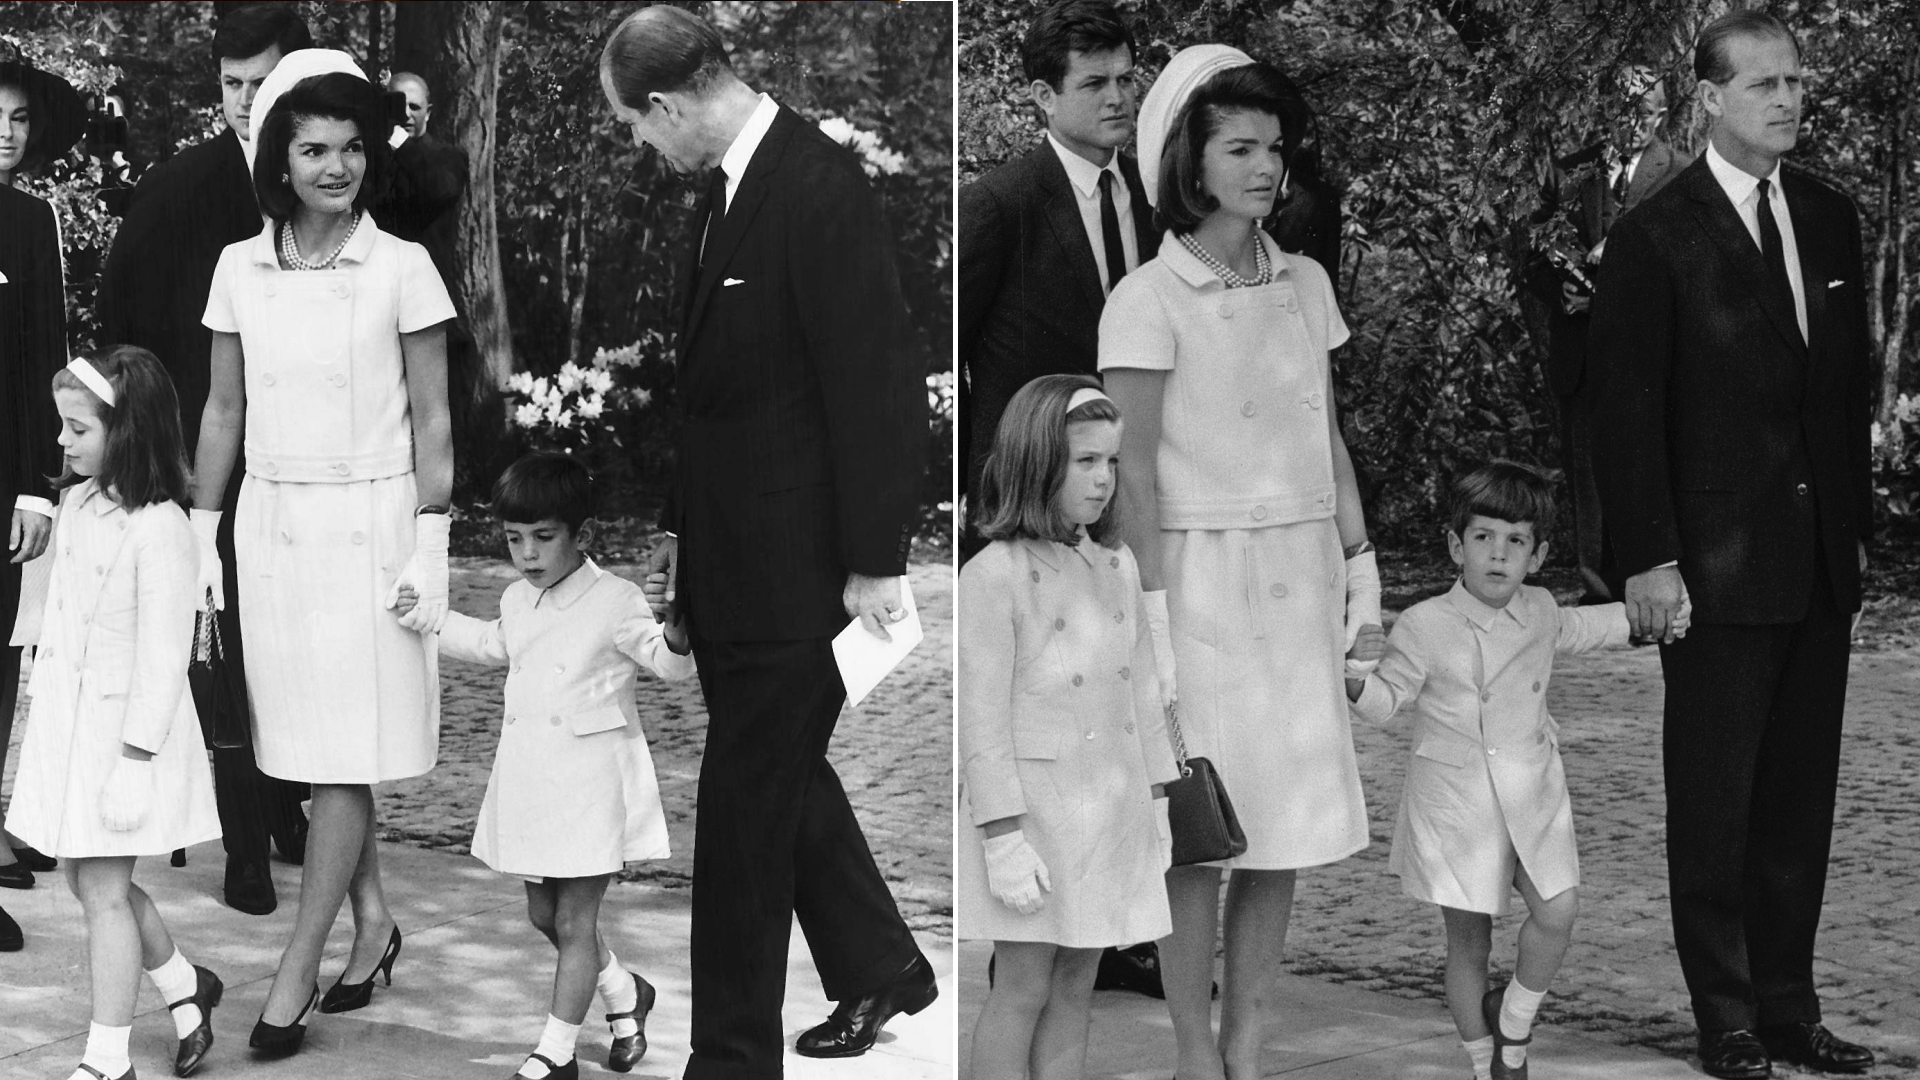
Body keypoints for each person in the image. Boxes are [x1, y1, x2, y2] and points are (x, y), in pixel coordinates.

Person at [598, 7, 932, 1073]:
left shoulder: (819, 187)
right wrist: (682, 530)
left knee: (744, 811)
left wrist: (874, 560)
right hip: (735, 561)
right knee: (776, 780)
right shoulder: (728, 190)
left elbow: (876, 386)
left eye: (636, 125)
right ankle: (879, 963)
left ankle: (731, 1060)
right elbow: (723, 397)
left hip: (805, 575)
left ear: (666, 104)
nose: (642, 144)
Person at [1588, 11, 1877, 1079]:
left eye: (1796, 80)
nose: (1789, 98)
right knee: (1716, 803)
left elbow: (1841, 393)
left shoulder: (1830, 216)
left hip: (1817, 561)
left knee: (1798, 803)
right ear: (1709, 98)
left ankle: (1791, 1007)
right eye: (1765, 83)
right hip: (1711, 566)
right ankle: (1728, 1017)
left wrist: (1854, 530)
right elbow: (1625, 411)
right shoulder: (1656, 236)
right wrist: (1649, 557)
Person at [1101, 47, 1378, 1080]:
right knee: (1202, 835)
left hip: (1300, 580)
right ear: (1192, 162)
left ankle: (1247, 1048)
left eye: (1274, 148)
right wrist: (1150, 615)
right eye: (1240, 149)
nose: (1266, 167)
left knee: (1283, 834)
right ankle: (1190, 1053)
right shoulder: (1146, 298)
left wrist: (1363, 568)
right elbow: (1131, 474)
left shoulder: (1306, 283)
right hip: (1198, 590)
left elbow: (1326, 436)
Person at [191, 61, 456, 1056]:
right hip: (271, 528)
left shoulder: (402, 266)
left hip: (372, 527)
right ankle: (374, 919)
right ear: (281, 161)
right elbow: (223, 408)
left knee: (343, 757)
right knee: (311, 749)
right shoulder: (238, 266)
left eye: (351, 148)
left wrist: (432, 539)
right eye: (314, 150)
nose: (335, 167)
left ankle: (296, 969)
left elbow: (434, 420)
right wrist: (199, 531)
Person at [1346, 462, 1685, 1080]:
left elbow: (1586, 628)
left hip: (1531, 791)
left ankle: (1514, 1022)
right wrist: (1353, 677)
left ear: (1538, 555)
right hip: (1458, 800)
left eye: (1516, 541)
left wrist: (1659, 615)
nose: (1498, 554)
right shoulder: (1425, 623)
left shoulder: (1541, 608)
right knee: (1468, 944)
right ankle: (1490, 1065)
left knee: (1558, 909)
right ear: (1457, 546)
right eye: (1483, 537)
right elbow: (1385, 704)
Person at [95, 0, 316, 917]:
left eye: (263, 83)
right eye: (231, 84)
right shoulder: (180, 187)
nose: (245, 102)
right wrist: (149, 455)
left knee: (292, 641)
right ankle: (244, 843)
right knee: (216, 646)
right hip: (205, 461)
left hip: (309, 460)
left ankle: (286, 802)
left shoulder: (330, 180)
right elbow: (121, 326)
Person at [395, 453, 694, 1080]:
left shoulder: (616, 599)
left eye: (543, 537)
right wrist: (423, 613)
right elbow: (491, 644)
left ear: (582, 535)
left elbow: (668, 665)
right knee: (542, 916)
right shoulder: (517, 597)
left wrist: (678, 626)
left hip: (591, 784)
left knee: (573, 920)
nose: (527, 554)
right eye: (514, 539)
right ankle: (625, 992)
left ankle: (555, 1053)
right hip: (532, 779)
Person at [5, 346, 224, 1080]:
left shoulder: (161, 527)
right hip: (72, 730)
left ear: (126, 431)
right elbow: (55, 612)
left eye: (78, 429)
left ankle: (108, 1059)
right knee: (84, 880)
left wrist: (135, 762)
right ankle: (186, 986)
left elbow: (164, 659)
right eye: (61, 425)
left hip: (127, 739)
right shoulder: (76, 504)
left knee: (101, 891)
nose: (61, 441)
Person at [959, 374, 1177, 1080]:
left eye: (1110, 460)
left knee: (1077, 986)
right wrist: (1001, 837)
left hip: (1109, 808)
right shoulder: (993, 575)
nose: (1105, 478)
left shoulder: (1116, 565)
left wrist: (1158, 799)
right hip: (1035, 818)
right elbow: (981, 723)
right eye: (1085, 461)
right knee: (1022, 987)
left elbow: (1143, 695)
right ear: (1036, 462)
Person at [959, 0, 1155, 562]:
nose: (1117, 97)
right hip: (1029, 502)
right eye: (1094, 83)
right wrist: (984, 480)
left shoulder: (1157, 196)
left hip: (1138, 498)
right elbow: (950, 351)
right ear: (1045, 96)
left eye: (1126, 79)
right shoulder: (1000, 204)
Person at [1527, 65, 1693, 604]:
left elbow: (1692, 270)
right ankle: (1600, 595)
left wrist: (1614, 285)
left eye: (1643, 112)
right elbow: (1532, 253)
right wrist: (1562, 291)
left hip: (1653, 358)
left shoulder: (1685, 174)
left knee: (1653, 469)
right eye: (1621, 110)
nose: (1632, 123)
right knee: (1589, 474)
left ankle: (1654, 587)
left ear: (1661, 116)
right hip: (1582, 355)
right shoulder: (1570, 173)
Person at [0, 56, 81, 909]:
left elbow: (42, 355)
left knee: (1, 654)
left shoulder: (30, 221)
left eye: (19, 118)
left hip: (2, 475)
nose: (6, 132)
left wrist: (35, 485)